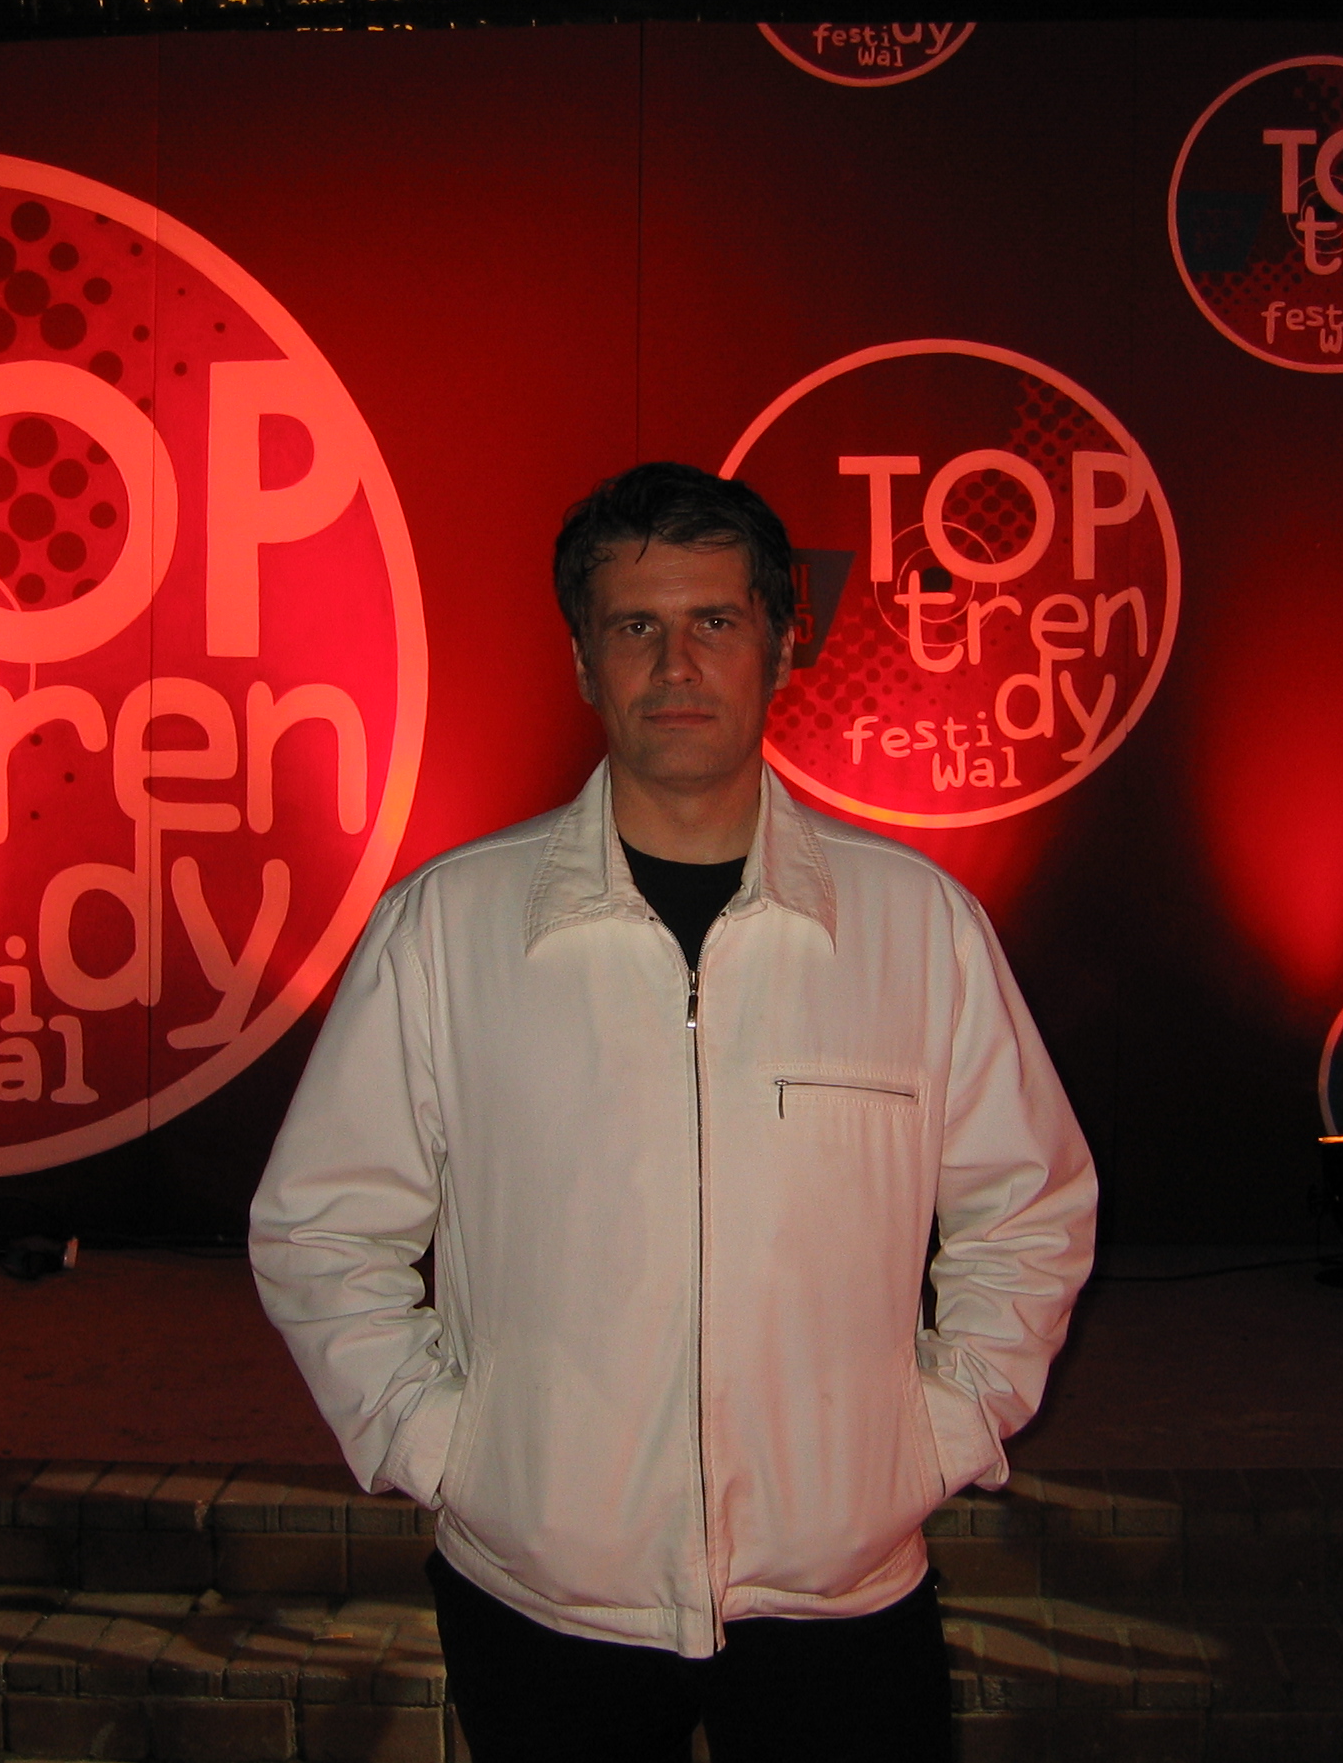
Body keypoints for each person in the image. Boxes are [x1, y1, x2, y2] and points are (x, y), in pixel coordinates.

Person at [249, 461, 1097, 1761]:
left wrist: (932, 1437)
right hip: (542, 1599)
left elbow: (1027, 1212)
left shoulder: (916, 928)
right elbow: (322, 1230)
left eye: (716, 620)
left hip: (840, 1600)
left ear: (782, 644)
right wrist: (447, 1448)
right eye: (635, 625)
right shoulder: (447, 929)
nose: (677, 663)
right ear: (583, 660)